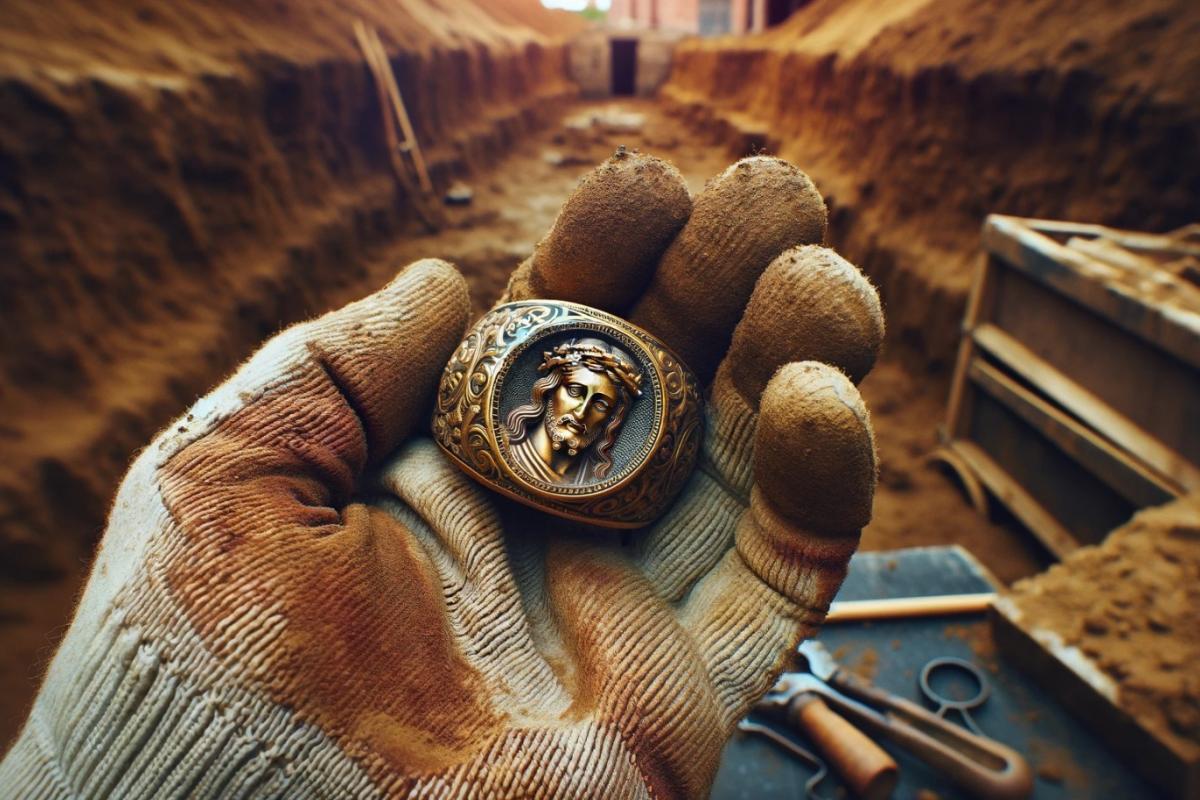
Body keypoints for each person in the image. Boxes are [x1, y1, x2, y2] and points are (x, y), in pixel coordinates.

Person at [0, 153, 884, 798]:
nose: (582, 417)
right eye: (573, 392)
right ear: (544, 388)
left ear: (622, 426)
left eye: (606, 412)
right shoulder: (503, 417)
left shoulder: (646, 456)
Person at [505, 338, 642, 485]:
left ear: (611, 419)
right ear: (551, 389)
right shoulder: (505, 447)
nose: (581, 413)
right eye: (574, 391)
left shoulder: (594, 482)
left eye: (600, 405)